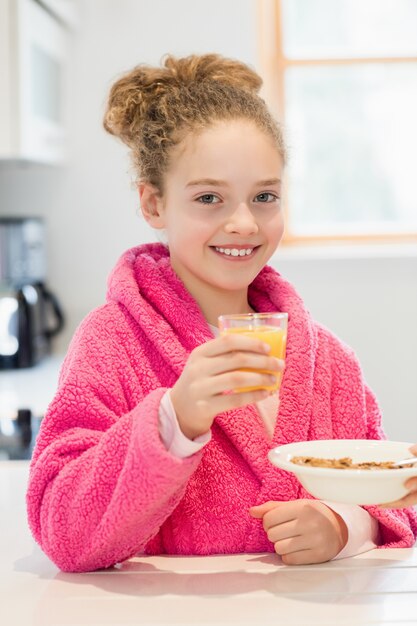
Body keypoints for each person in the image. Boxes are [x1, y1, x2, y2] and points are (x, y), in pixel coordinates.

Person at [26, 54, 417, 573]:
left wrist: (345, 525)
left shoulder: (329, 360)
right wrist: (176, 417)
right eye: (209, 197)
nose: (243, 223)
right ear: (153, 204)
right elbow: (63, 531)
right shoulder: (111, 343)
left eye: (264, 197)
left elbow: (394, 496)